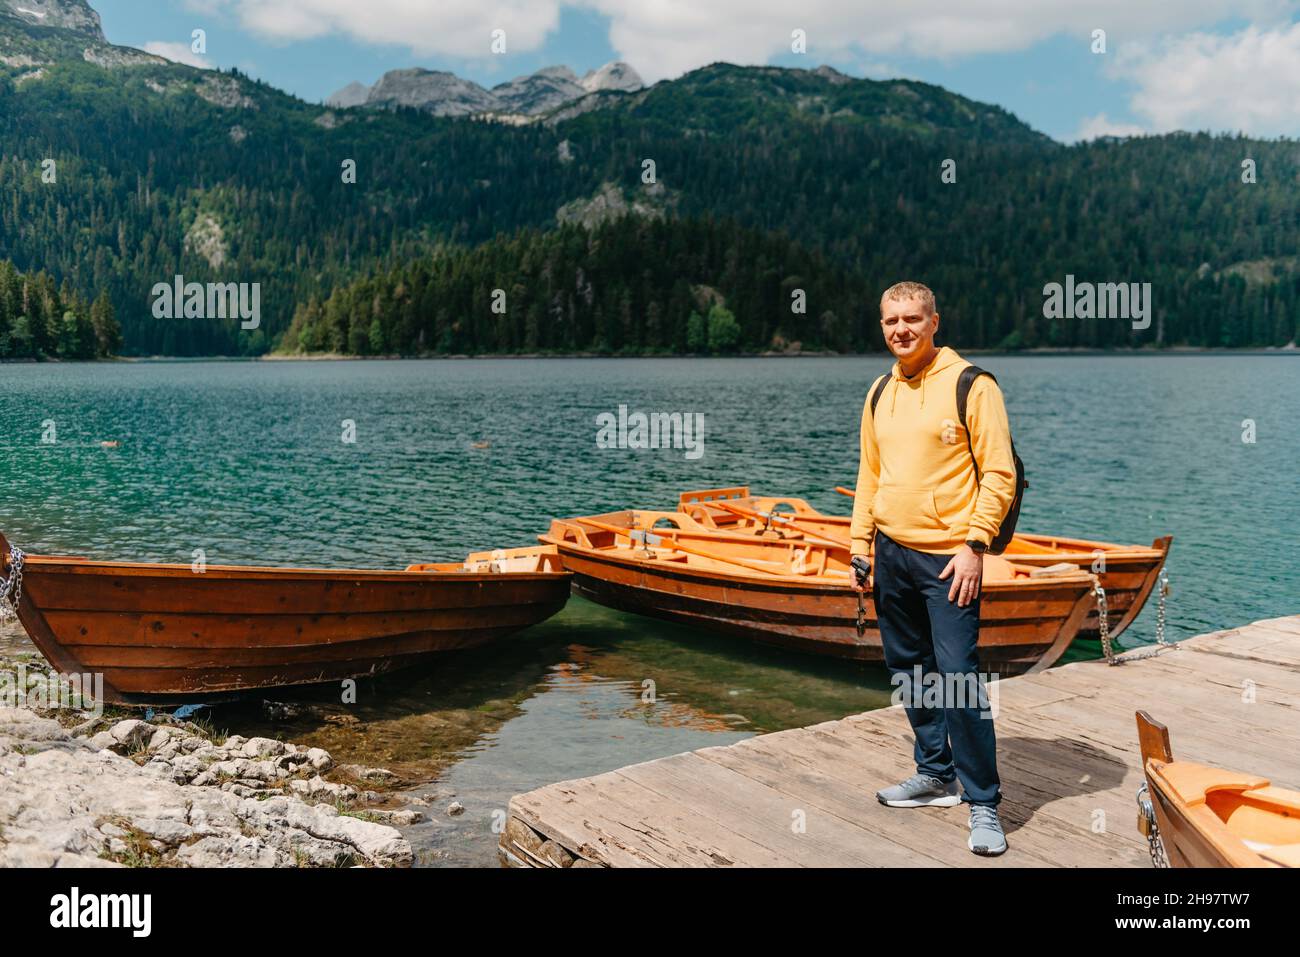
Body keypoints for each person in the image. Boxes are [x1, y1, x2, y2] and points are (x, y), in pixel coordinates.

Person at [849, 281, 1017, 856]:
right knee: (909, 667)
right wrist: (859, 543)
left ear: (935, 322)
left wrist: (975, 546)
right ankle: (935, 772)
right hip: (891, 553)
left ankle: (985, 803)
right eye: (891, 320)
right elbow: (869, 475)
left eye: (912, 319)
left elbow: (999, 475)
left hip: (951, 558)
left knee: (959, 676)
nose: (902, 329)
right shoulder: (879, 391)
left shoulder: (972, 384)